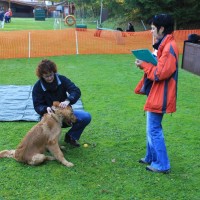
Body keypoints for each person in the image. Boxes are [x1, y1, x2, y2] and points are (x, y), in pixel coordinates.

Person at [134, 14, 179, 173]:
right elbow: (158, 67)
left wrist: (145, 64)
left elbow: (160, 73)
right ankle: (151, 157)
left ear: (162, 28)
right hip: (156, 92)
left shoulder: (169, 47)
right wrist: (144, 63)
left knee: (153, 129)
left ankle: (162, 164)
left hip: (162, 94)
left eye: (153, 28)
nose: (151, 32)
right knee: (151, 128)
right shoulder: (162, 45)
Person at [32, 59, 91, 147]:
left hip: (66, 114)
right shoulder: (37, 87)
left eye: (51, 74)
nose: (50, 78)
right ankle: (48, 143)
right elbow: (37, 105)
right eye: (46, 76)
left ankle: (71, 137)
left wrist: (68, 100)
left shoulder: (62, 79)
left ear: (54, 72)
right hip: (50, 116)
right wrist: (45, 108)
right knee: (45, 130)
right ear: (41, 76)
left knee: (86, 117)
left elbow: (75, 91)